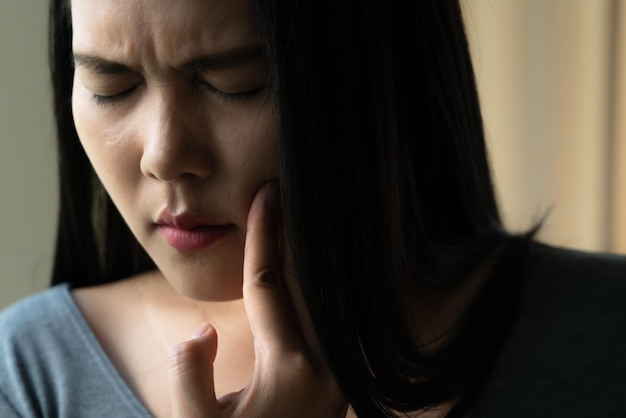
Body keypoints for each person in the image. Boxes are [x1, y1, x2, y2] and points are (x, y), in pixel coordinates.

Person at [1, 0, 625, 417]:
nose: (165, 156)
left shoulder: (605, 335)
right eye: (112, 86)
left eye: (235, 84)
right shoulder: (29, 376)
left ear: (380, 75)